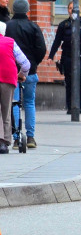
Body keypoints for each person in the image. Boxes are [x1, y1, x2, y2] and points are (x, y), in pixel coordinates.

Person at [6, 0, 46, 148]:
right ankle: (30, 137)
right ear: (27, 10)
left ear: (14, 10)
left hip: (12, 71)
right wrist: (34, 63)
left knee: (14, 104)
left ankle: (16, 138)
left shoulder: (8, 27)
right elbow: (41, 48)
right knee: (29, 103)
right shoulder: (33, 27)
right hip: (30, 72)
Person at [48, 1, 81, 113]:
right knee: (69, 80)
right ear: (68, 10)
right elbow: (57, 41)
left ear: (79, 10)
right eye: (70, 8)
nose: (72, 10)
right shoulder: (63, 25)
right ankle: (70, 107)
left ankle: (79, 106)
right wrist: (51, 56)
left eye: (74, 8)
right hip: (68, 55)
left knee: (80, 78)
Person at [0, 21, 30, 154]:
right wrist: (21, 75)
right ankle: (5, 142)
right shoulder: (11, 42)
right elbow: (26, 64)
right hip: (8, 79)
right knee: (6, 110)